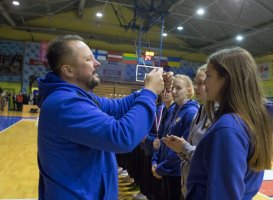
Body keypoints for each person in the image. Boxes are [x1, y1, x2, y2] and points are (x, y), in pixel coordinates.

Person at [37, 35, 173, 199]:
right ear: (68, 70)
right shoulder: (65, 104)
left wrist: (151, 92)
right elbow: (121, 136)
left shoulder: (81, 96)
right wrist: (149, 93)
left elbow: (118, 107)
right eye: (88, 59)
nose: (97, 62)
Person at [186, 47, 273, 199]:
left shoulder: (229, 128)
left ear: (226, 79)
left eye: (208, 76)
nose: (204, 82)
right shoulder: (249, 119)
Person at [162, 65, 210, 198]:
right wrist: (182, 150)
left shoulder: (192, 112)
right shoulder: (199, 112)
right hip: (188, 182)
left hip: (199, 186)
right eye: (196, 83)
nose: (196, 87)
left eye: (202, 83)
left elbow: (211, 160)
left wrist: (184, 149)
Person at [151, 74, 199, 200]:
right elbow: (162, 139)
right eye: (173, 88)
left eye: (178, 88)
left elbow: (181, 148)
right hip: (165, 169)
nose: (173, 91)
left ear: (189, 91)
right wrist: (155, 161)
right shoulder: (173, 110)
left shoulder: (191, 113)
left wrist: (161, 168)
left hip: (176, 173)